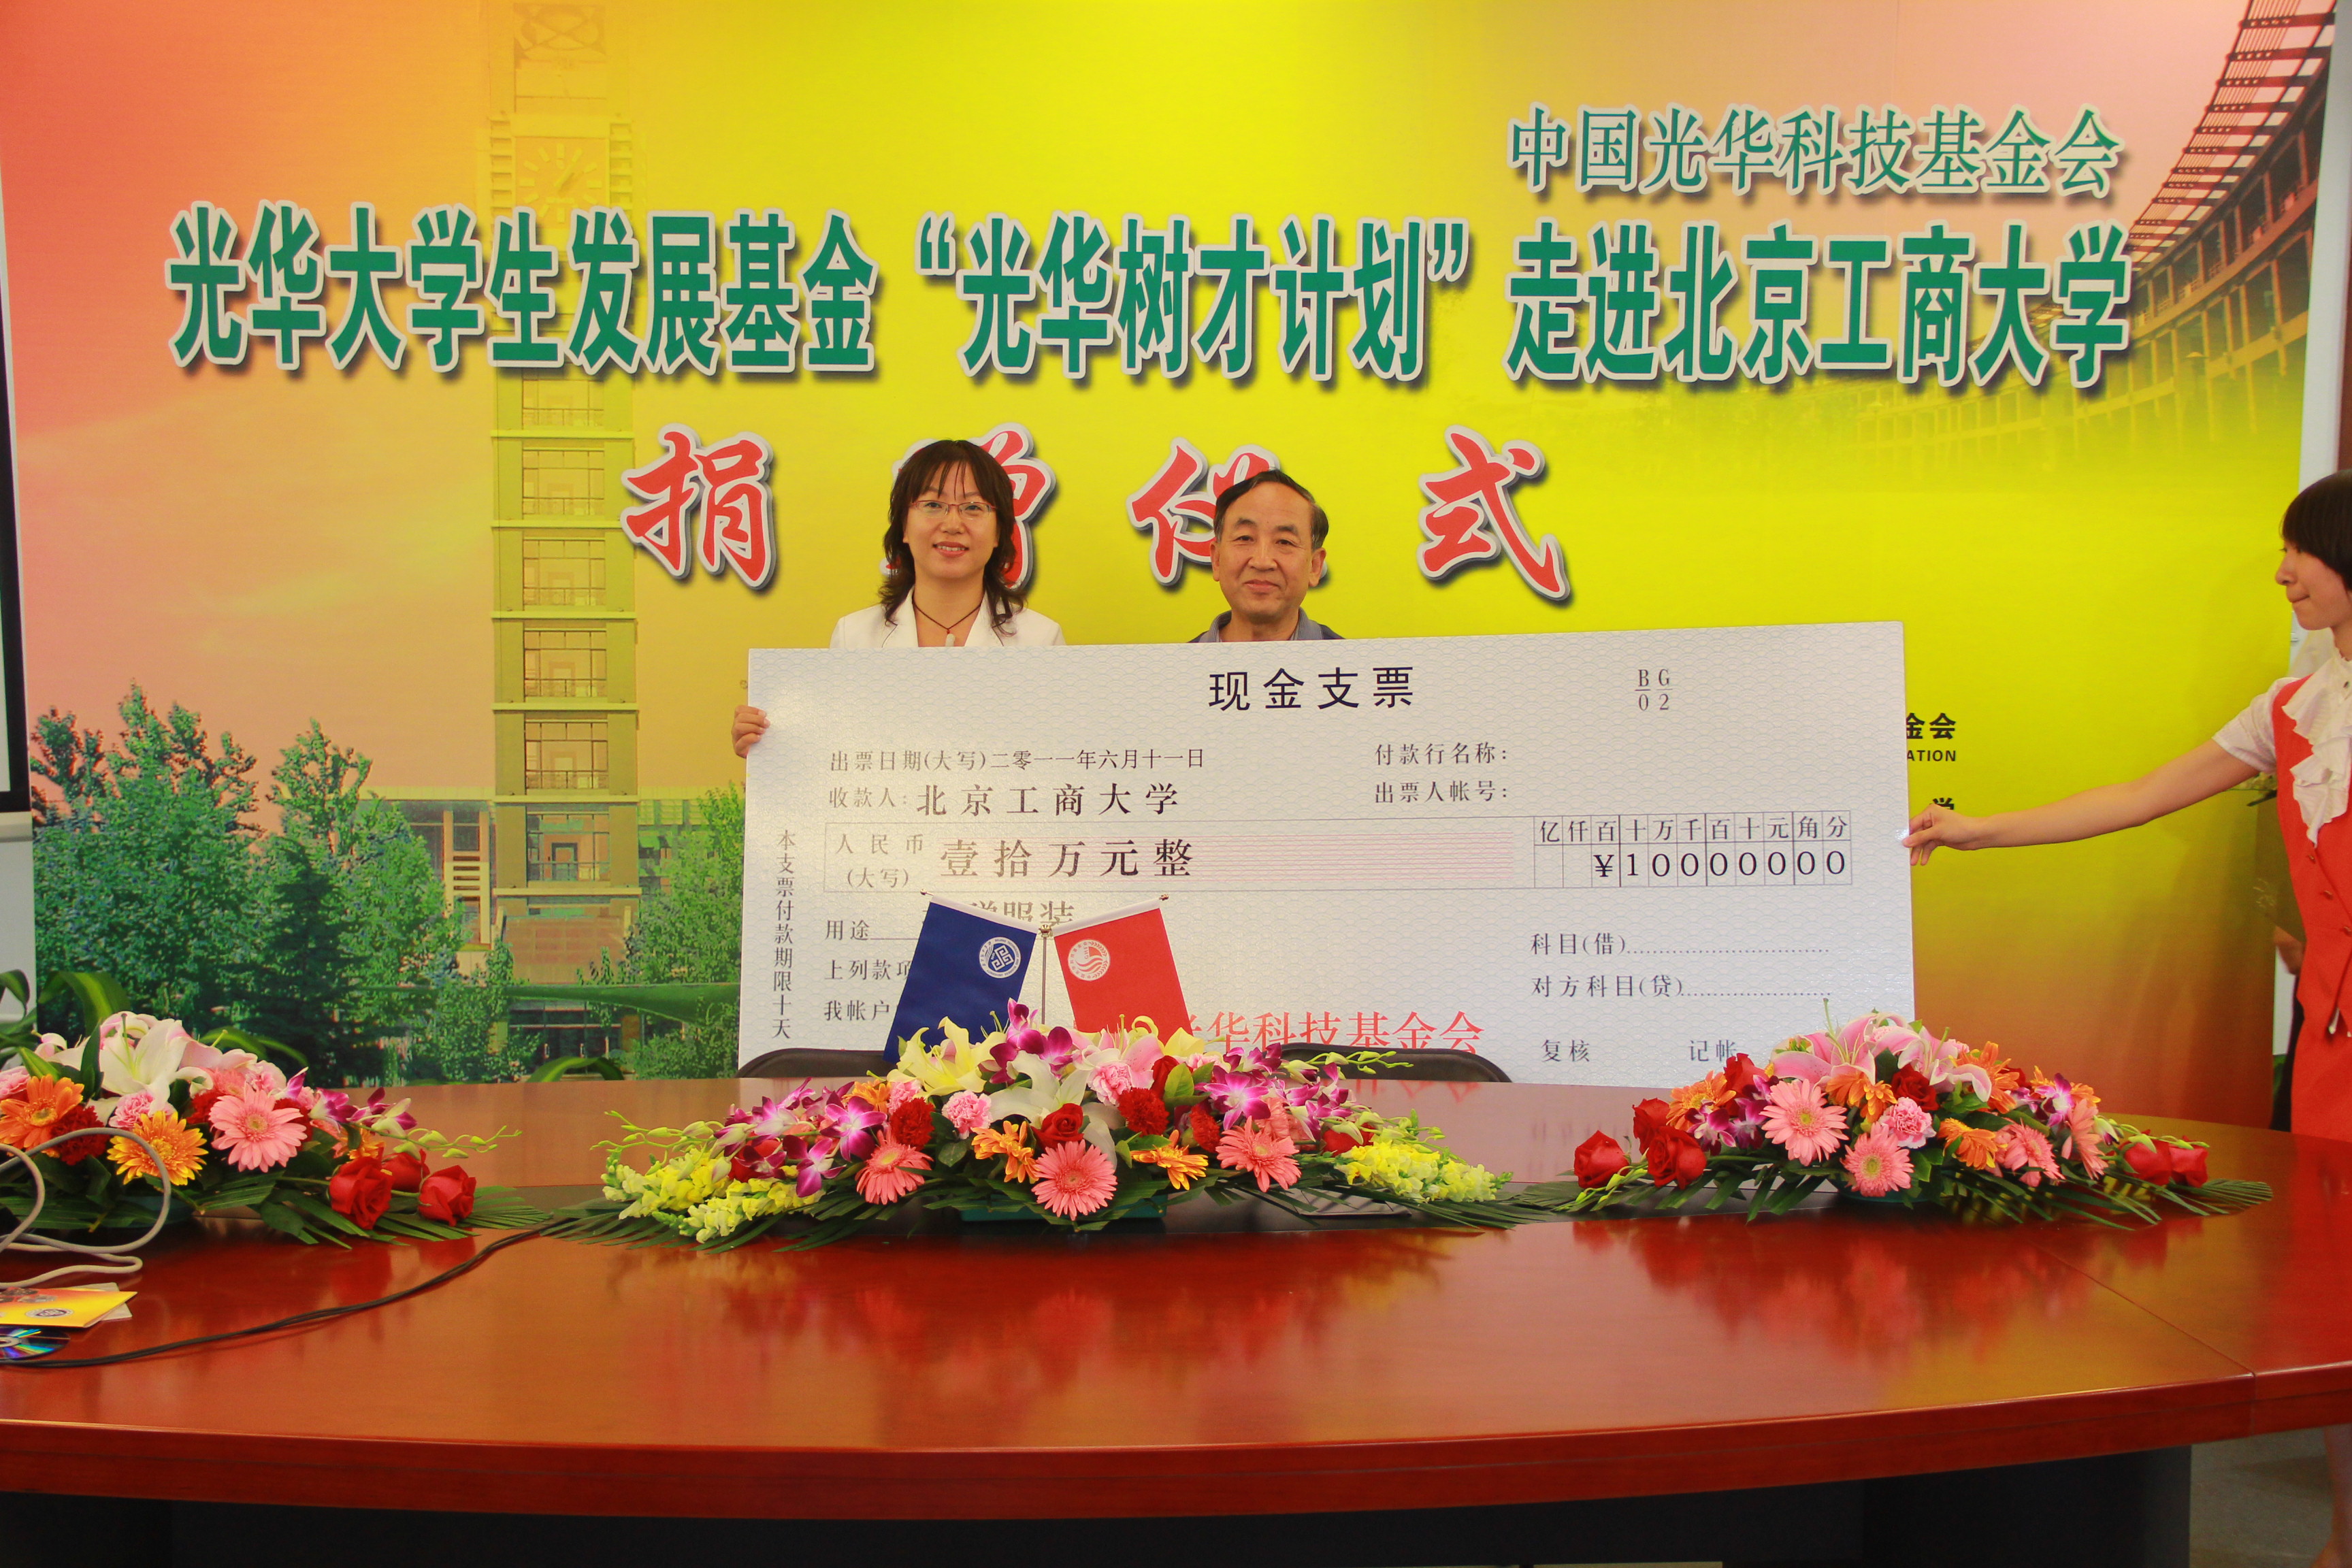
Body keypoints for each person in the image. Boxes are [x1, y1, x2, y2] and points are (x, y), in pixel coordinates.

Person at [1904, 470, 2352, 1568]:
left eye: (2304, 551)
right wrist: (1979, 830)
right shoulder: (2292, 710)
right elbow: (2141, 795)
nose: (2284, 572)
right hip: (2335, 1053)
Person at [733, 439, 1063, 757]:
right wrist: (772, 747)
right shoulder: (855, 636)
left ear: (999, 532)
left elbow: (1057, 756)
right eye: (933, 505)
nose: (952, 524)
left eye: (974, 508)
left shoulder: (1040, 639)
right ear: (904, 526)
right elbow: (834, 752)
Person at [1190, 470, 1342, 642]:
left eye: (1284, 542)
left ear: (1315, 566)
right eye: (1245, 538)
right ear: (1217, 559)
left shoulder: (1349, 659)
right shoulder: (1180, 660)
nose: (1262, 562)